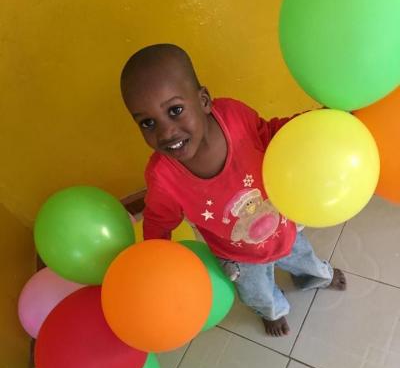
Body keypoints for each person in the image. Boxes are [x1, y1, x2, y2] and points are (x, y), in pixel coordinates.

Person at [120, 44, 346, 337]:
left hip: (280, 227)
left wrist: (315, 121)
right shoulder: (163, 177)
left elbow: (271, 135)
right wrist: (156, 262)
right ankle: (272, 311)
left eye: (175, 111)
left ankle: (316, 277)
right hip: (238, 255)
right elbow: (158, 221)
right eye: (147, 123)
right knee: (257, 293)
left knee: (305, 257)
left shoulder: (234, 116)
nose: (165, 132)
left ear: (203, 100)